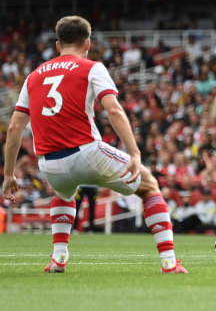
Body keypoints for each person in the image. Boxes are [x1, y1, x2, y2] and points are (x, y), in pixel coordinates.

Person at [2, 16, 187, 274]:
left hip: (49, 163)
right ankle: (169, 262)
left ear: (57, 45)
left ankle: (59, 258)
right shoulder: (92, 67)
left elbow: (14, 128)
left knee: (64, 194)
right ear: (88, 43)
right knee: (149, 187)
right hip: (86, 152)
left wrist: (9, 174)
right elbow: (114, 110)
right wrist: (134, 152)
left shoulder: (33, 77)